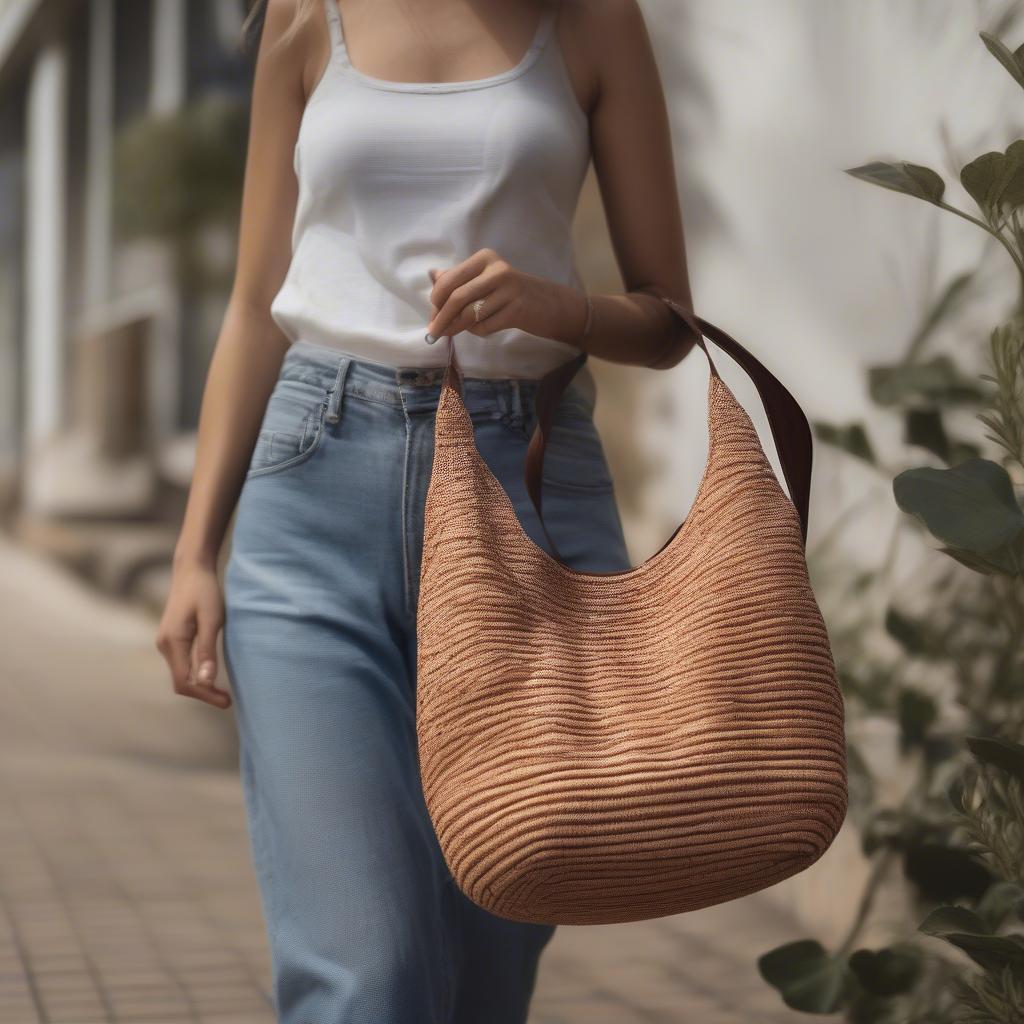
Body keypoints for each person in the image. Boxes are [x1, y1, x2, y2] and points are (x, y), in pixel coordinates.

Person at [155, 0, 700, 1020]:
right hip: (312, 489)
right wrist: (195, 554)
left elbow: (668, 315)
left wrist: (549, 304)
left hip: (530, 502)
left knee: (488, 966)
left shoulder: (589, 22)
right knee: (371, 973)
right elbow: (251, 305)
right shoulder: (304, 17)